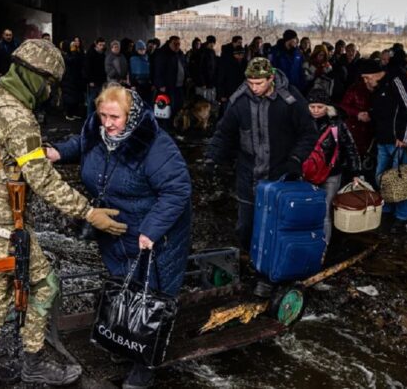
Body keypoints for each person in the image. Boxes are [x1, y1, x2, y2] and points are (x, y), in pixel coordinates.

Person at [0, 39, 126, 386]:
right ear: (36, 77)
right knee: (45, 284)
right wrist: (88, 212)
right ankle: (33, 361)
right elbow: (42, 179)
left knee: (0, 283)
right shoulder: (17, 115)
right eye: (49, 84)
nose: (50, 92)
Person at [47, 84, 191, 389]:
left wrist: (151, 230)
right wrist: (59, 151)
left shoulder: (154, 145)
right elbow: (82, 144)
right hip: (115, 231)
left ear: (133, 114)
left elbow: (177, 191)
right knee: (123, 287)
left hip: (154, 236)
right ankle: (126, 342)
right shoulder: (98, 132)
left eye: (115, 117)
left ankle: (145, 363)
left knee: (149, 296)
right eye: (103, 115)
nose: (108, 123)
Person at [207, 57, 317, 257]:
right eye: (250, 83)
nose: (254, 88)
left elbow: (309, 133)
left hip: (281, 174)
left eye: (259, 83)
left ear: (271, 78)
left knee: (277, 225)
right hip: (248, 175)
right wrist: (213, 157)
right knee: (245, 226)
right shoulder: (239, 101)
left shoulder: (290, 99)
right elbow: (224, 133)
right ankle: (249, 260)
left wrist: (296, 159)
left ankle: (273, 266)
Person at [360, 59, 407, 234]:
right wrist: (370, 114)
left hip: (399, 142)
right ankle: (387, 209)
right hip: (383, 139)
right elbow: (383, 110)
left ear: (376, 74)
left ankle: (402, 216)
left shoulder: (396, 82)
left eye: (366, 77)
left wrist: (405, 137)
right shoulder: (378, 89)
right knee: (382, 177)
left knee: (401, 180)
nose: (365, 81)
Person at [307, 89, 361, 243]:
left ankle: (323, 246)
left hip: (331, 173)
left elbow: (350, 147)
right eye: (312, 107)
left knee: (325, 212)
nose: (316, 111)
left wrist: (355, 172)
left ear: (327, 107)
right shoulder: (301, 122)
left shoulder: (337, 125)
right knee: (307, 209)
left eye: (320, 107)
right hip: (307, 173)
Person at [153, 36, 187, 123]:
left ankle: (175, 125)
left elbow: (184, 67)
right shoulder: (163, 54)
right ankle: (166, 127)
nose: (177, 46)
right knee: (167, 107)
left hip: (179, 85)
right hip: (168, 86)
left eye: (178, 44)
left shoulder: (180, 54)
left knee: (178, 106)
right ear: (169, 43)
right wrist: (160, 84)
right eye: (175, 44)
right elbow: (158, 70)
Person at [60, 39, 85, 120]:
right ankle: (68, 113)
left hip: (75, 78)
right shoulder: (65, 55)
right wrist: (74, 52)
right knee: (69, 98)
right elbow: (71, 61)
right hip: (68, 79)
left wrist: (77, 51)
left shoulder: (74, 54)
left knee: (76, 97)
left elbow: (80, 61)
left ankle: (74, 112)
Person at [83, 37, 107, 116]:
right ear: (96, 44)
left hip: (101, 80)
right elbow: (87, 68)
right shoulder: (90, 54)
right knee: (92, 100)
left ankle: (98, 117)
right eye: (100, 45)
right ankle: (89, 117)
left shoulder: (102, 54)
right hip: (93, 81)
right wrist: (90, 80)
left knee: (99, 99)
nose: (101, 47)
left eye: (103, 45)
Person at [129, 40, 152, 105]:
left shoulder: (148, 57)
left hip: (147, 84)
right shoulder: (133, 59)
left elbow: (151, 70)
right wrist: (133, 84)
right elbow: (131, 72)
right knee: (138, 102)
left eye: (144, 49)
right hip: (138, 84)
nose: (142, 51)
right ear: (137, 50)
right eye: (140, 49)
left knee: (147, 102)